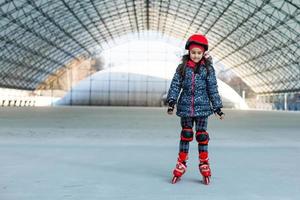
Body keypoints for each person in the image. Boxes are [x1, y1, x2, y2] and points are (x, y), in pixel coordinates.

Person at [166, 34, 225, 184]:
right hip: (185, 107)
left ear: (203, 53)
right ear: (189, 52)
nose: (196, 55)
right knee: (186, 134)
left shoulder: (208, 69)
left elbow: (212, 89)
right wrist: (171, 101)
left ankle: (204, 162)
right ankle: (182, 162)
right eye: (193, 52)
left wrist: (217, 107)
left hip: (203, 108)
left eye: (199, 53)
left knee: (202, 136)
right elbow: (175, 85)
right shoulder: (182, 68)